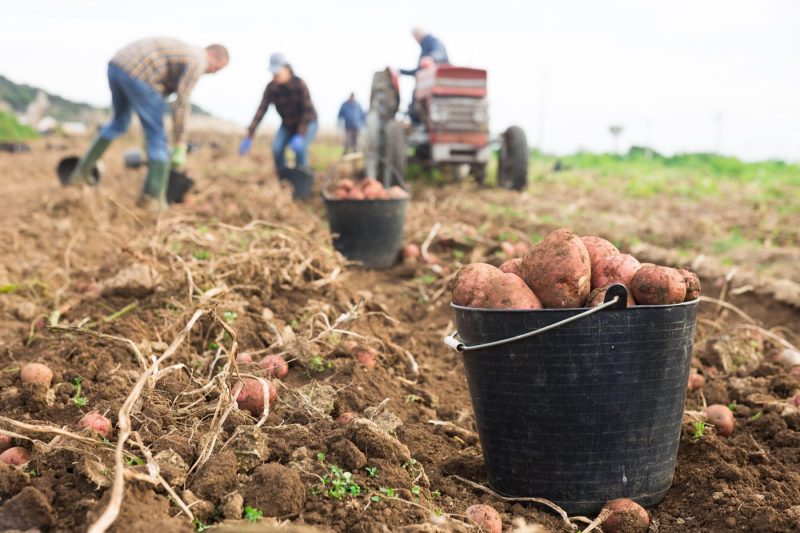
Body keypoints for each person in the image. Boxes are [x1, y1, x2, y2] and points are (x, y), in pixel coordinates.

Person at [69, 37, 229, 208]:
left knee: (119, 122)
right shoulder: (198, 60)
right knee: (157, 136)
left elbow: (164, 92)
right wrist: (180, 142)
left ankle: (80, 175)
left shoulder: (186, 52)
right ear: (212, 55)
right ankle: (153, 201)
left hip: (117, 66)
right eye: (215, 69)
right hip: (139, 73)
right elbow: (181, 104)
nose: (212, 73)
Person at [239, 53, 318, 171]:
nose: (275, 76)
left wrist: (300, 135)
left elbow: (306, 112)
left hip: (307, 123)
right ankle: (284, 176)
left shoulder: (299, 84)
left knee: (300, 150)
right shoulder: (272, 88)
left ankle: (302, 177)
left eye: (278, 73)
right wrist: (250, 134)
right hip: (288, 124)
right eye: (273, 73)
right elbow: (261, 110)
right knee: (277, 148)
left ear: (287, 69)